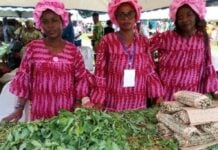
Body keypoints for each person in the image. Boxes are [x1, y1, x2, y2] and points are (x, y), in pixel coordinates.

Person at [2, 0, 89, 122]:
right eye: (45, 22)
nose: (50, 25)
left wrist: (78, 104)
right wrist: (19, 108)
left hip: (66, 115)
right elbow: (24, 78)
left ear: (62, 22)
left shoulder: (73, 51)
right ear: (40, 24)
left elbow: (81, 80)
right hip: (40, 113)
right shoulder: (33, 48)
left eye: (54, 20)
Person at [89, 0, 164, 111]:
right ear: (116, 17)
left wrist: (157, 93)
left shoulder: (143, 41)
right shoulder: (107, 41)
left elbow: (149, 70)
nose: (126, 18)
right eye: (121, 14)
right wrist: (98, 100)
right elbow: (100, 73)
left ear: (136, 16)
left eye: (130, 13)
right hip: (114, 103)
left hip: (138, 103)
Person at [149, 0, 218, 101]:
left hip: (193, 97)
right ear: (175, 19)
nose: (185, 19)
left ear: (196, 15)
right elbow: (143, 53)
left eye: (189, 15)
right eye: (180, 17)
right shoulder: (166, 37)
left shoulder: (202, 38)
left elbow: (208, 66)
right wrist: (156, 89)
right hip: (167, 96)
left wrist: (215, 91)